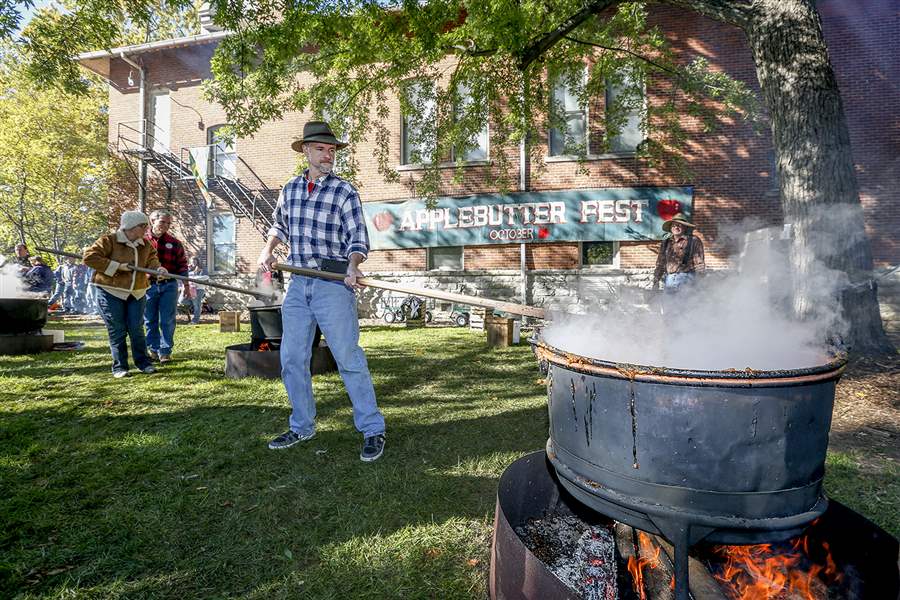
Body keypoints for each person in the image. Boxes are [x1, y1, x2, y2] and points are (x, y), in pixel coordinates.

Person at [258, 120, 386, 462]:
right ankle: (302, 425)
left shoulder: (344, 191)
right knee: (291, 359)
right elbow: (279, 226)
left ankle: (372, 428)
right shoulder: (290, 189)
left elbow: (358, 238)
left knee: (348, 357)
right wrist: (268, 250)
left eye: (331, 150)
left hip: (332, 282)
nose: (328, 155)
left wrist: (352, 266)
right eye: (321, 149)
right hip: (298, 284)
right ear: (306, 151)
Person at [83, 211, 168, 378]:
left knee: (136, 329)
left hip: (137, 292)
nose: (146, 229)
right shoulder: (108, 240)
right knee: (117, 329)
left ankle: (143, 363)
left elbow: (152, 259)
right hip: (110, 291)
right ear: (132, 227)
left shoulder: (145, 244)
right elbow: (89, 257)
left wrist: (158, 269)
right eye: (143, 226)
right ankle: (120, 367)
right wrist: (115, 266)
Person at [143, 209, 189, 362]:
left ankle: (165, 351)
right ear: (152, 221)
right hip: (147, 285)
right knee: (150, 319)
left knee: (167, 319)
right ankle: (153, 349)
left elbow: (182, 266)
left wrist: (186, 286)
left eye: (168, 223)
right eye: (162, 222)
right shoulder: (142, 241)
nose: (165, 225)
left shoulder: (174, 243)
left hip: (169, 285)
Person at [652, 212, 706, 292]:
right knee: (669, 303)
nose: (676, 227)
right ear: (670, 228)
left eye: (679, 225)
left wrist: (700, 280)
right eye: (673, 225)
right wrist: (656, 281)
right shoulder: (666, 242)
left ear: (684, 227)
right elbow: (661, 263)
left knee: (685, 304)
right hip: (669, 279)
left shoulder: (693, 240)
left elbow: (699, 262)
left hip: (687, 278)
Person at [185, 256, 207, 324]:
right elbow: (185, 277)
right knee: (182, 301)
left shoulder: (202, 269)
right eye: (192, 261)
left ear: (197, 262)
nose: (193, 263)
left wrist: (193, 279)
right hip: (190, 289)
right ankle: (197, 304)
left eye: (194, 261)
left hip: (199, 289)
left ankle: (195, 320)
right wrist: (187, 270)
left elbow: (206, 277)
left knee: (196, 304)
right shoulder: (189, 270)